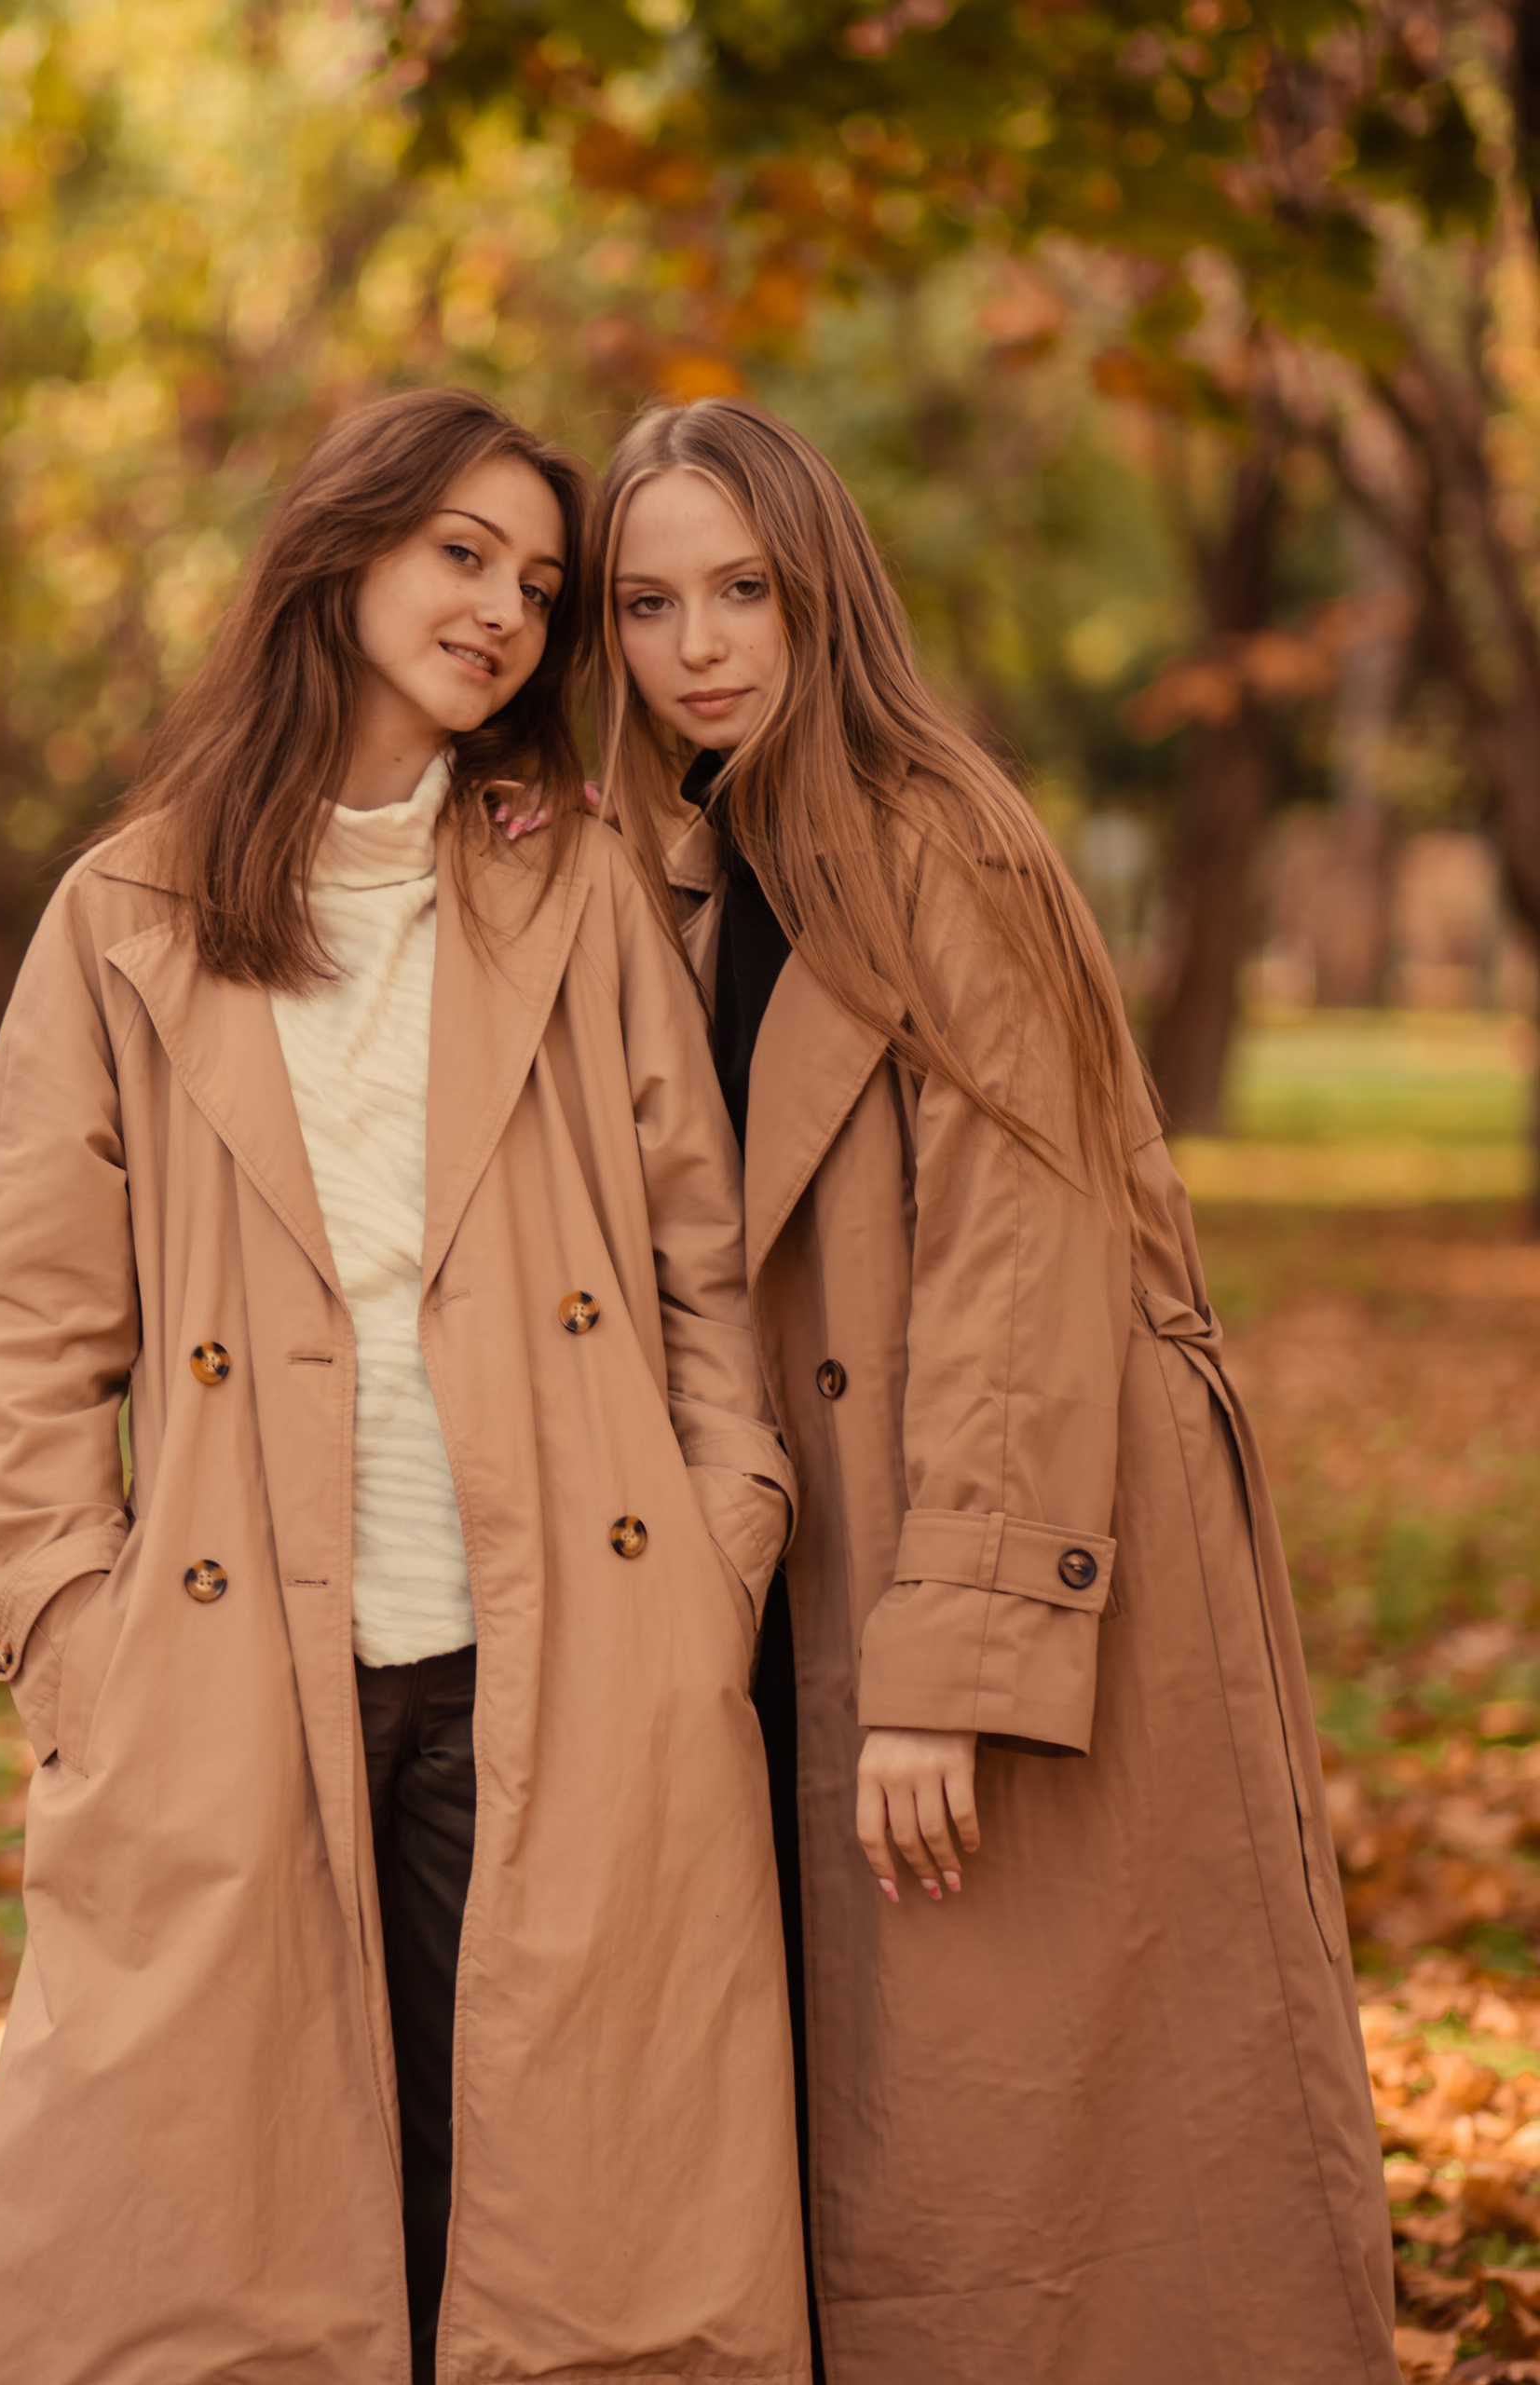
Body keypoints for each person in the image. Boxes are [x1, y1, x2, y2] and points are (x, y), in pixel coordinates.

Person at [0, 386, 811, 2385]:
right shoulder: (126, 913)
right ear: (341, 548)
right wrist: (74, 1634)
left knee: (548, 2225)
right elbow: (25, 1327)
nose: (502, 609)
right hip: (235, 1665)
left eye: (536, 582)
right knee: (216, 2235)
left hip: (559, 1641)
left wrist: (709, 1558)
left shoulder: (570, 880)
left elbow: (699, 1258)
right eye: (459, 552)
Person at [590, 395, 1397, 2385]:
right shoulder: (700, 860)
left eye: (740, 590)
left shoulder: (932, 839)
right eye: (645, 601)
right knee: (936, 2107)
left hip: (1019, 1536)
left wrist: (939, 1658)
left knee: (1048, 2119)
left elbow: (1016, 1261)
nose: (696, 643)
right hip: (853, 1523)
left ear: (819, 593)